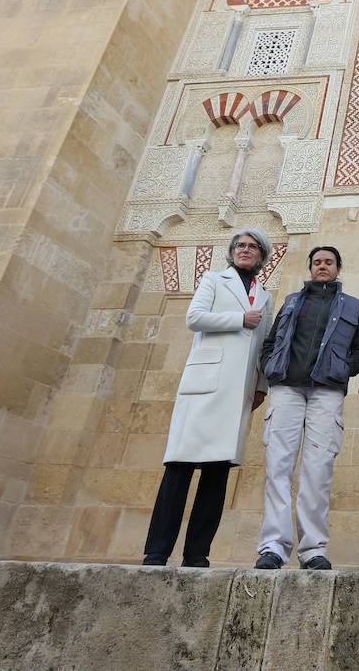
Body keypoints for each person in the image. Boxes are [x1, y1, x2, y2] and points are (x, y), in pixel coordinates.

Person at [143, 229, 274, 567]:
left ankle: (197, 553)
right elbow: (195, 318)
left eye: (252, 247)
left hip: (238, 391)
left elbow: (263, 344)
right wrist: (238, 319)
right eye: (240, 246)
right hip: (205, 384)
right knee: (180, 466)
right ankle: (157, 551)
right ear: (232, 253)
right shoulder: (214, 280)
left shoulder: (265, 295)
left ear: (262, 256)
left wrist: (260, 385)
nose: (245, 251)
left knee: (218, 471)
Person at [254, 246, 359, 571]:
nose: (322, 267)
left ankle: (312, 549)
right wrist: (270, 366)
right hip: (287, 389)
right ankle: (273, 547)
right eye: (317, 262)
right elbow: (272, 341)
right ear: (311, 267)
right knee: (278, 467)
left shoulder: (352, 306)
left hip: (326, 392)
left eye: (328, 262)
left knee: (317, 471)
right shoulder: (292, 301)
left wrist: (344, 369)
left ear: (337, 268)